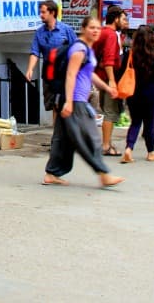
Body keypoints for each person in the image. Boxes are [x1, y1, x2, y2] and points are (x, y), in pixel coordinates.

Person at [42, 15, 125, 188]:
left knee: (62, 140)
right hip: (75, 100)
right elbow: (71, 75)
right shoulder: (79, 49)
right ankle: (103, 174)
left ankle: (51, 173)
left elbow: (89, 74)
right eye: (92, 28)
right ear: (83, 29)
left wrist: (107, 87)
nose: (95, 31)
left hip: (72, 99)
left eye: (98, 28)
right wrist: (69, 102)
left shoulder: (87, 49)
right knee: (90, 138)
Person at [121, 25, 154, 164]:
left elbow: (122, 72)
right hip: (151, 92)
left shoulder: (130, 53)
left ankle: (128, 149)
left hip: (133, 92)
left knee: (135, 122)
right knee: (149, 123)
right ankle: (151, 152)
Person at [24, 0, 77, 119]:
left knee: (64, 102)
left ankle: (65, 133)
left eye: (43, 12)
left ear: (52, 13)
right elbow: (35, 52)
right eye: (40, 12)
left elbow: (77, 50)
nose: (40, 15)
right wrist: (30, 69)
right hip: (49, 73)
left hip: (64, 73)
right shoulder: (39, 32)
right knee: (54, 105)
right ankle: (57, 134)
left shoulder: (66, 30)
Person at [93, 5, 126, 156]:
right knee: (110, 111)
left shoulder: (102, 32)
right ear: (116, 19)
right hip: (107, 77)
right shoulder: (111, 35)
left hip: (100, 76)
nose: (125, 22)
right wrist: (112, 81)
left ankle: (108, 143)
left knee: (109, 111)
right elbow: (108, 60)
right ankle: (106, 145)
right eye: (123, 19)